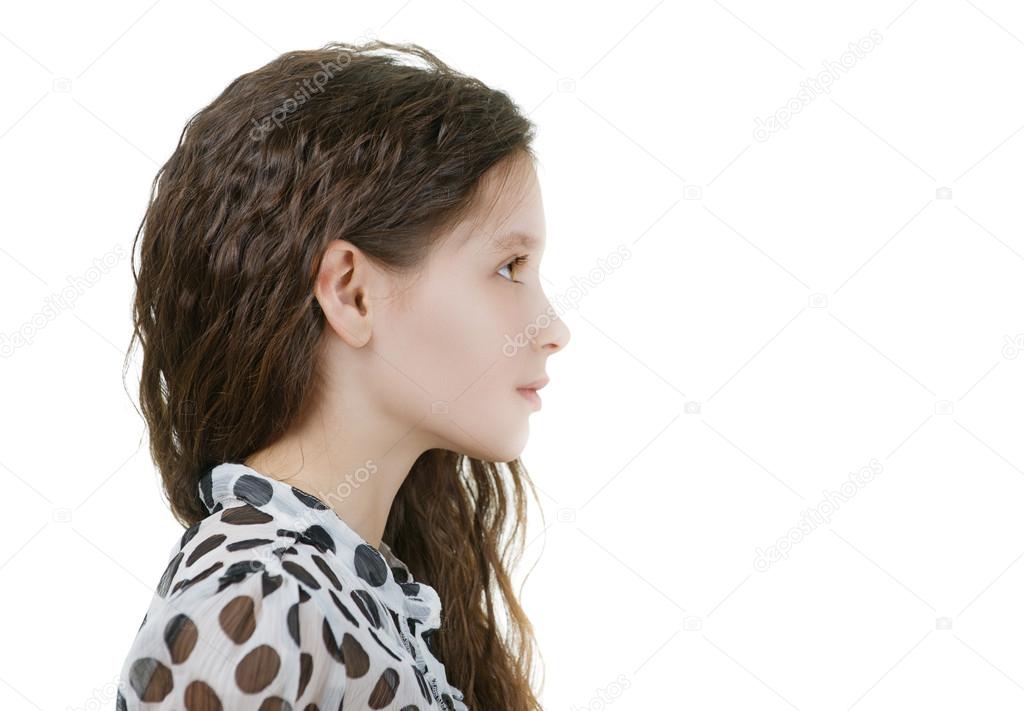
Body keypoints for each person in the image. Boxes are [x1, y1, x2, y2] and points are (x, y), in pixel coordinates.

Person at [115, 39, 570, 710]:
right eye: (509, 268)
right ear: (352, 293)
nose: (554, 329)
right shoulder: (254, 603)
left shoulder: (346, 586)